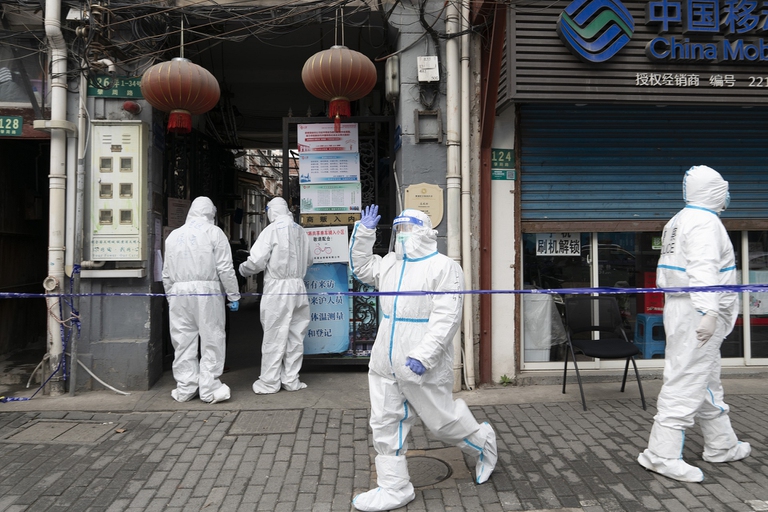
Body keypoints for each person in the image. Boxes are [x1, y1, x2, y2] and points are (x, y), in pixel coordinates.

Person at [349, 205, 497, 512]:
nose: (401, 235)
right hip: (384, 361)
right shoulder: (390, 263)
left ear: (425, 231)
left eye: (408, 228)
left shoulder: (444, 267)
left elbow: (447, 317)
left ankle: (482, 441)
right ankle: (394, 487)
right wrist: (363, 233)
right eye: (397, 229)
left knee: (441, 423)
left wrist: (424, 355)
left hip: (420, 364)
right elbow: (361, 269)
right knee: (384, 423)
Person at [637, 165, 751, 482]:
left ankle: (722, 444)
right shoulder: (705, 223)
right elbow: (703, 270)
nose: (728, 194)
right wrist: (710, 313)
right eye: (724, 187)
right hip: (697, 312)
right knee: (685, 379)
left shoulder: (680, 219)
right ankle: (661, 455)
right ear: (714, 190)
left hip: (685, 308)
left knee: (705, 378)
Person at [162, 196, 240, 404]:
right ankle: (209, 387)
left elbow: (166, 272)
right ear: (210, 212)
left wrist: (171, 296)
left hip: (179, 293)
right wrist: (233, 295)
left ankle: (186, 387)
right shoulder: (215, 233)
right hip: (207, 292)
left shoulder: (173, 236)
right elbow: (225, 268)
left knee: (183, 340)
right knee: (212, 338)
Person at [239, 196, 312, 394]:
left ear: (272, 211)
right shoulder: (301, 231)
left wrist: (242, 270)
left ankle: (270, 382)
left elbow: (256, 262)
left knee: (274, 335)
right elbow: (309, 260)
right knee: (295, 335)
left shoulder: (270, 231)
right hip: (298, 288)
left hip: (278, 289)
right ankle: (291, 380)